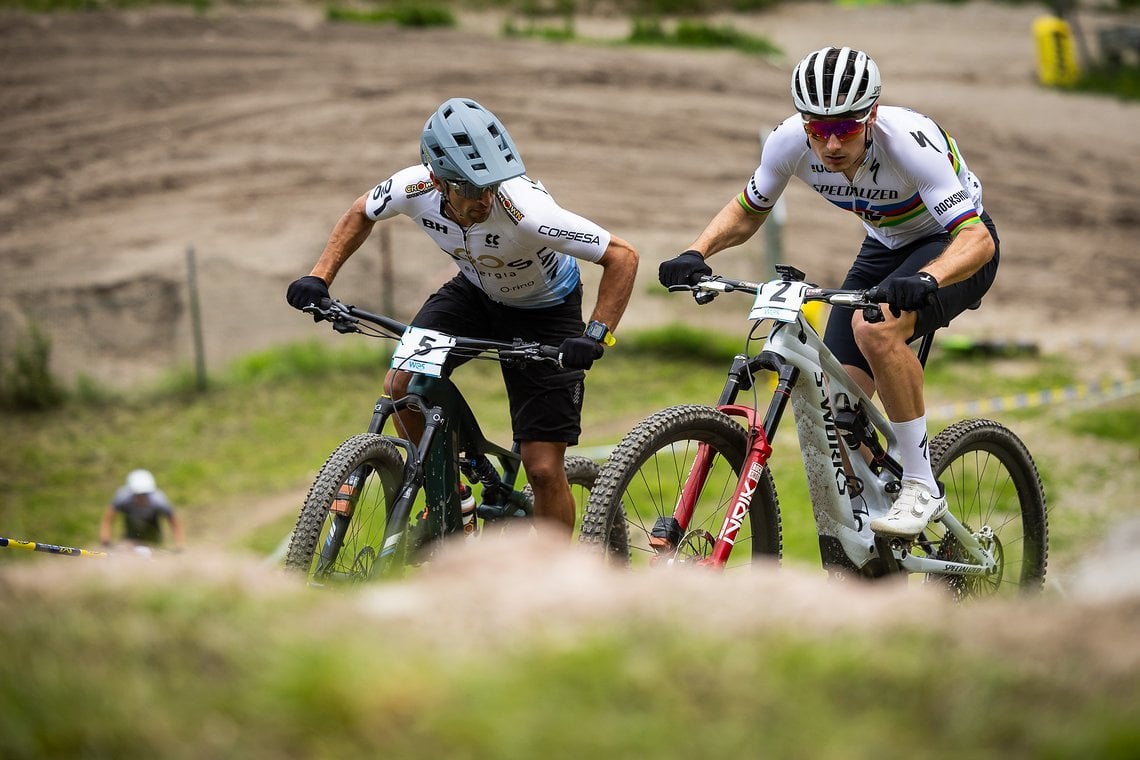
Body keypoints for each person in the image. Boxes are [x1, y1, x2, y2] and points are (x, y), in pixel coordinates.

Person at [659, 46, 998, 538]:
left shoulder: (906, 144)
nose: (831, 143)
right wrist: (696, 252)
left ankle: (922, 485)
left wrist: (927, 278)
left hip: (954, 241)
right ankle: (872, 531)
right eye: (818, 129)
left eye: (846, 127)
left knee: (876, 330)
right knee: (836, 407)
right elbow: (749, 209)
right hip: (886, 244)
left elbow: (977, 240)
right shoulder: (787, 143)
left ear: (872, 116)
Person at [286, 97, 638, 536]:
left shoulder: (529, 212)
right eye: (469, 188)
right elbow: (361, 212)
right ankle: (454, 499)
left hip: (547, 312)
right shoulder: (412, 187)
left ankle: (553, 579)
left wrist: (596, 334)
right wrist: (319, 278)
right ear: (438, 180)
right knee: (401, 385)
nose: (482, 199)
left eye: (490, 185)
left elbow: (622, 255)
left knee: (543, 468)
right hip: (474, 294)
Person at [99, 469, 185, 551]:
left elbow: (174, 523)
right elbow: (108, 520)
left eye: (145, 494)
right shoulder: (122, 498)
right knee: (126, 549)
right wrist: (105, 541)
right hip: (130, 533)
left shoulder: (159, 500)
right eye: (137, 494)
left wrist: (179, 545)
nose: (141, 497)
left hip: (153, 533)